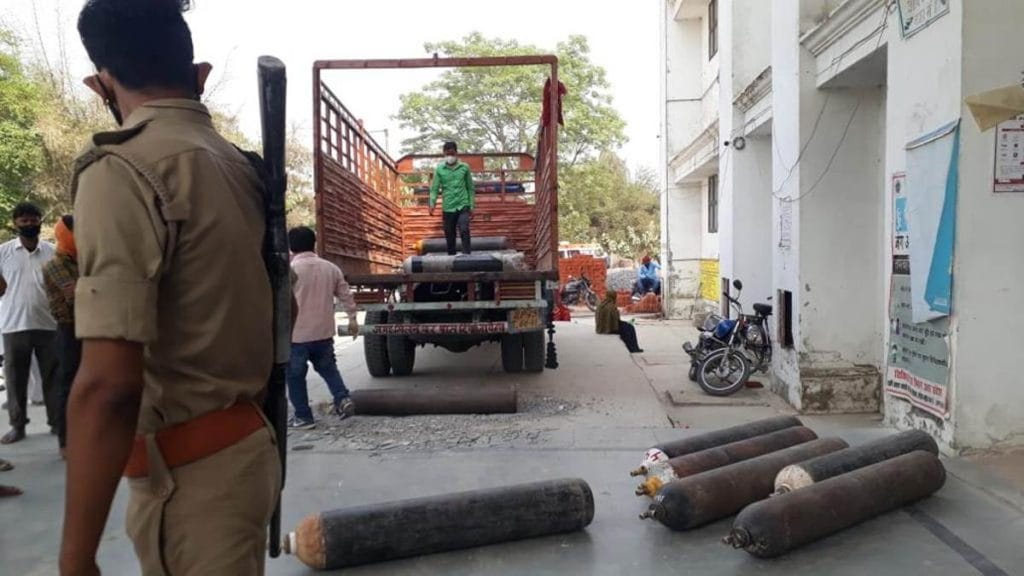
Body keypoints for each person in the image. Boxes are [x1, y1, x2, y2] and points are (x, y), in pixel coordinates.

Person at [61, 1, 280, 574]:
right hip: (241, 454)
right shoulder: (236, 165)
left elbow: (107, 387)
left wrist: (75, 557)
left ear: (100, 83)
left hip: (189, 478)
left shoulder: (124, 170)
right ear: (199, 74)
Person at [287, 226, 359, 429]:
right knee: (329, 369)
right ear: (314, 243)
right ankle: (342, 399)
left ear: (291, 247)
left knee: (295, 377)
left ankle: (303, 417)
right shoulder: (330, 268)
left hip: (296, 336)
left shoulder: (291, 270)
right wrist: (352, 318)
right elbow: (345, 294)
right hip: (323, 333)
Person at [0, 202, 59, 445]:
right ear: (16, 224)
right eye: (24, 221)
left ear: (39, 221)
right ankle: (17, 426)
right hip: (13, 325)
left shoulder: (53, 252)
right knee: (15, 380)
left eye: (33, 219)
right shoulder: (2, 252)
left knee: (53, 379)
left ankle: (57, 424)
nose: (29, 224)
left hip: (49, 325)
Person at [42, 215, 81, 459]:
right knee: (68, 384)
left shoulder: (83, 261)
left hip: (89, 327)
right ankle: (65, 441)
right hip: (69, 330)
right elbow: (77, 296)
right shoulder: (55, 265)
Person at [428, 141, 475, 256]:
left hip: (463, 205)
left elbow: (470, 188)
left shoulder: (464, 167)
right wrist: (432, 204)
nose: (450, 156)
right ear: (444, 154)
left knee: (464, 229)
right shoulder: (440, 169)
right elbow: (434, 189)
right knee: (449, 234)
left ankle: (467, 256)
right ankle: (451, 258)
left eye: (452, 153)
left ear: (456, 153)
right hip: (448, 207)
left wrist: (472, 206)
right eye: (448, 154)